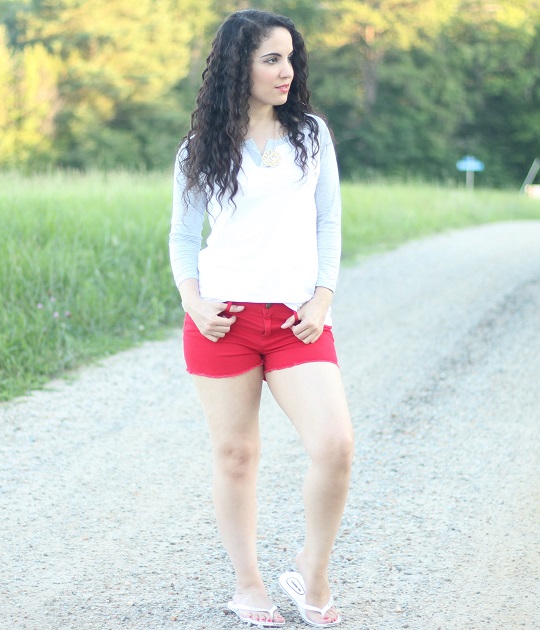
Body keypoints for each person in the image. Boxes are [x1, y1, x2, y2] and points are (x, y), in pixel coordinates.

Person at [169, 9, 353, 628]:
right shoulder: (200, 148)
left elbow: (329, 220)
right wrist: (193, 301)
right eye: (271, 58)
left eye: (290, 58)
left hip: (299, 321)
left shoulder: (311, 134)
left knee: (334, 445)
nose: (287, 70)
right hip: (222, 320)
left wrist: (323, 295)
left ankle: (313, 571)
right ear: (236, 66)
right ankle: (249, 586)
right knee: (236, 454)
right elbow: (182, 236)